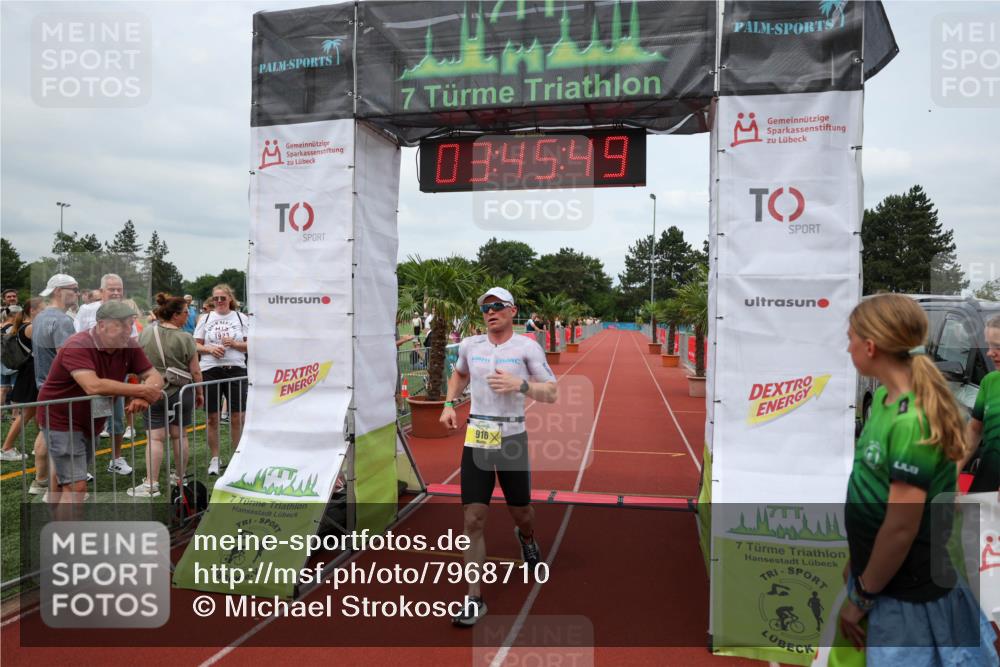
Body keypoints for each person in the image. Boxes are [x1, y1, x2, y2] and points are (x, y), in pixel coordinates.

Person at [839, 294, 999, 665]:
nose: (847, 347)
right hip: (881, 580)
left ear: (870, 345)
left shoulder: (913, 421)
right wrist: (856, 561)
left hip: (905, 593)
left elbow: (900, 527)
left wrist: (861, 597)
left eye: (850, 338)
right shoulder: (883, 401)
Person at [439, 287, 558, 627]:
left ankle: (527, 537)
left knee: (521, 512)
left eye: (497, 307)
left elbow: (551, 391)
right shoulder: (470, 346)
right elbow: (460, 374)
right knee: (473, 519)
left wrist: (521, 386)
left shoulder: (526, 347)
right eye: (485, 308)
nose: (490, 312)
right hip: (478, 436)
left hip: (511, 438)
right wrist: (449, 403)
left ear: (511, 310)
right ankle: (473, 597)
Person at [37, 301, 162, 514]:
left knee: (67, 478)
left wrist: (145, 396)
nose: (128, 330)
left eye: (130, 324)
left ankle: (55, 518)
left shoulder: (129, 345)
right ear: (102, 325)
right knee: (77, 486)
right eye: (122, 325)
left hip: (92, 419)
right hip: (61, 419)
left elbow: (154, 376)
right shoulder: (78, 344)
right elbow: (93, 385)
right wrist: (141, 391)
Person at [130, 294, 204, 497]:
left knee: (155, 438)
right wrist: (199, 392)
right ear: (175, 315)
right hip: (182, 391)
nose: (187, 316)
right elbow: (195, 370)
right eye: (185, 312)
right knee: (180, 435)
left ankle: (151, 484)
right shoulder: (186, 337)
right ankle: (179, 477)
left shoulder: (145, 333)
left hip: (152, 390)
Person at [74, 273, 136, 473]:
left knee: (116, 419)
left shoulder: (128, 311)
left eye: (119, 288)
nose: (116, 292)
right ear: (101, 291)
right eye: (112, 289)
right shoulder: (87, 310)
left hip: (117, 375)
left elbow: (133, 342)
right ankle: (84, 465)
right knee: (90, 420)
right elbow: (77, 339)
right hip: (91, 375)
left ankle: (116, 459)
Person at [30, 274, 80, 495]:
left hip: (43, 384)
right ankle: (55, 487)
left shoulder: (40, 317)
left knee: (45, 433)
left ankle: (40, 481)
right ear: (59, 291)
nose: (77, 293)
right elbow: (67, 358)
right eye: (74, 289)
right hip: (60, 388)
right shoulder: (62, 320)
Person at [194, 284, 248, 477]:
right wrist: (209, 349)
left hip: (236, 369)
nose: (219, 302)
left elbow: (251, 345)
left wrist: (235, 344)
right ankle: (215, 458)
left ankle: (236, 458)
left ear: (230, 299)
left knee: (237, 417)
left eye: (222, 298)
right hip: (211, 370)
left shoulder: (241, 318)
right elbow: (195, 345)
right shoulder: (205, 318)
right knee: (212, 417)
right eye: (215, 298)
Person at [1, 299, 42, 460]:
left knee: (39, 411)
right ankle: (6, 448)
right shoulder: (31, 327)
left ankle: (41, 444)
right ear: (32, 310)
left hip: (30, 372)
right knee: (27, 413)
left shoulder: (25, 326)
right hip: (31, 373)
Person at [965, 314, 1000, 492]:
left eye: (998, 347)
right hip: (986, 484)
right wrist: (952, 467)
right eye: (989, 345)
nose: (989, 353)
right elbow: (974, 429)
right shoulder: (989, 382)